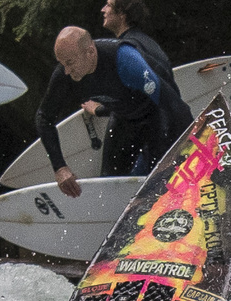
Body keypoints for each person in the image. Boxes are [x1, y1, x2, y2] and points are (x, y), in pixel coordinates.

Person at [36, 26, 192, 199]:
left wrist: (194, 140)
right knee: (109, 184)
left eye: (70, 63)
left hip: (157, 115)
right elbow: (44, 117)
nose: (66, 70)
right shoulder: (65, 75)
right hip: (124, 118)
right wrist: (60, 168)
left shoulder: (124, 60)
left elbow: (174, 105)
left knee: (159, 177)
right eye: (62, 63)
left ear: (90, 52)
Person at [101, 0, 172, 73]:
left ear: (122, 14)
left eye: (109, 5)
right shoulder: (147, 42)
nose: (103, 10)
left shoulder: (128, 48)